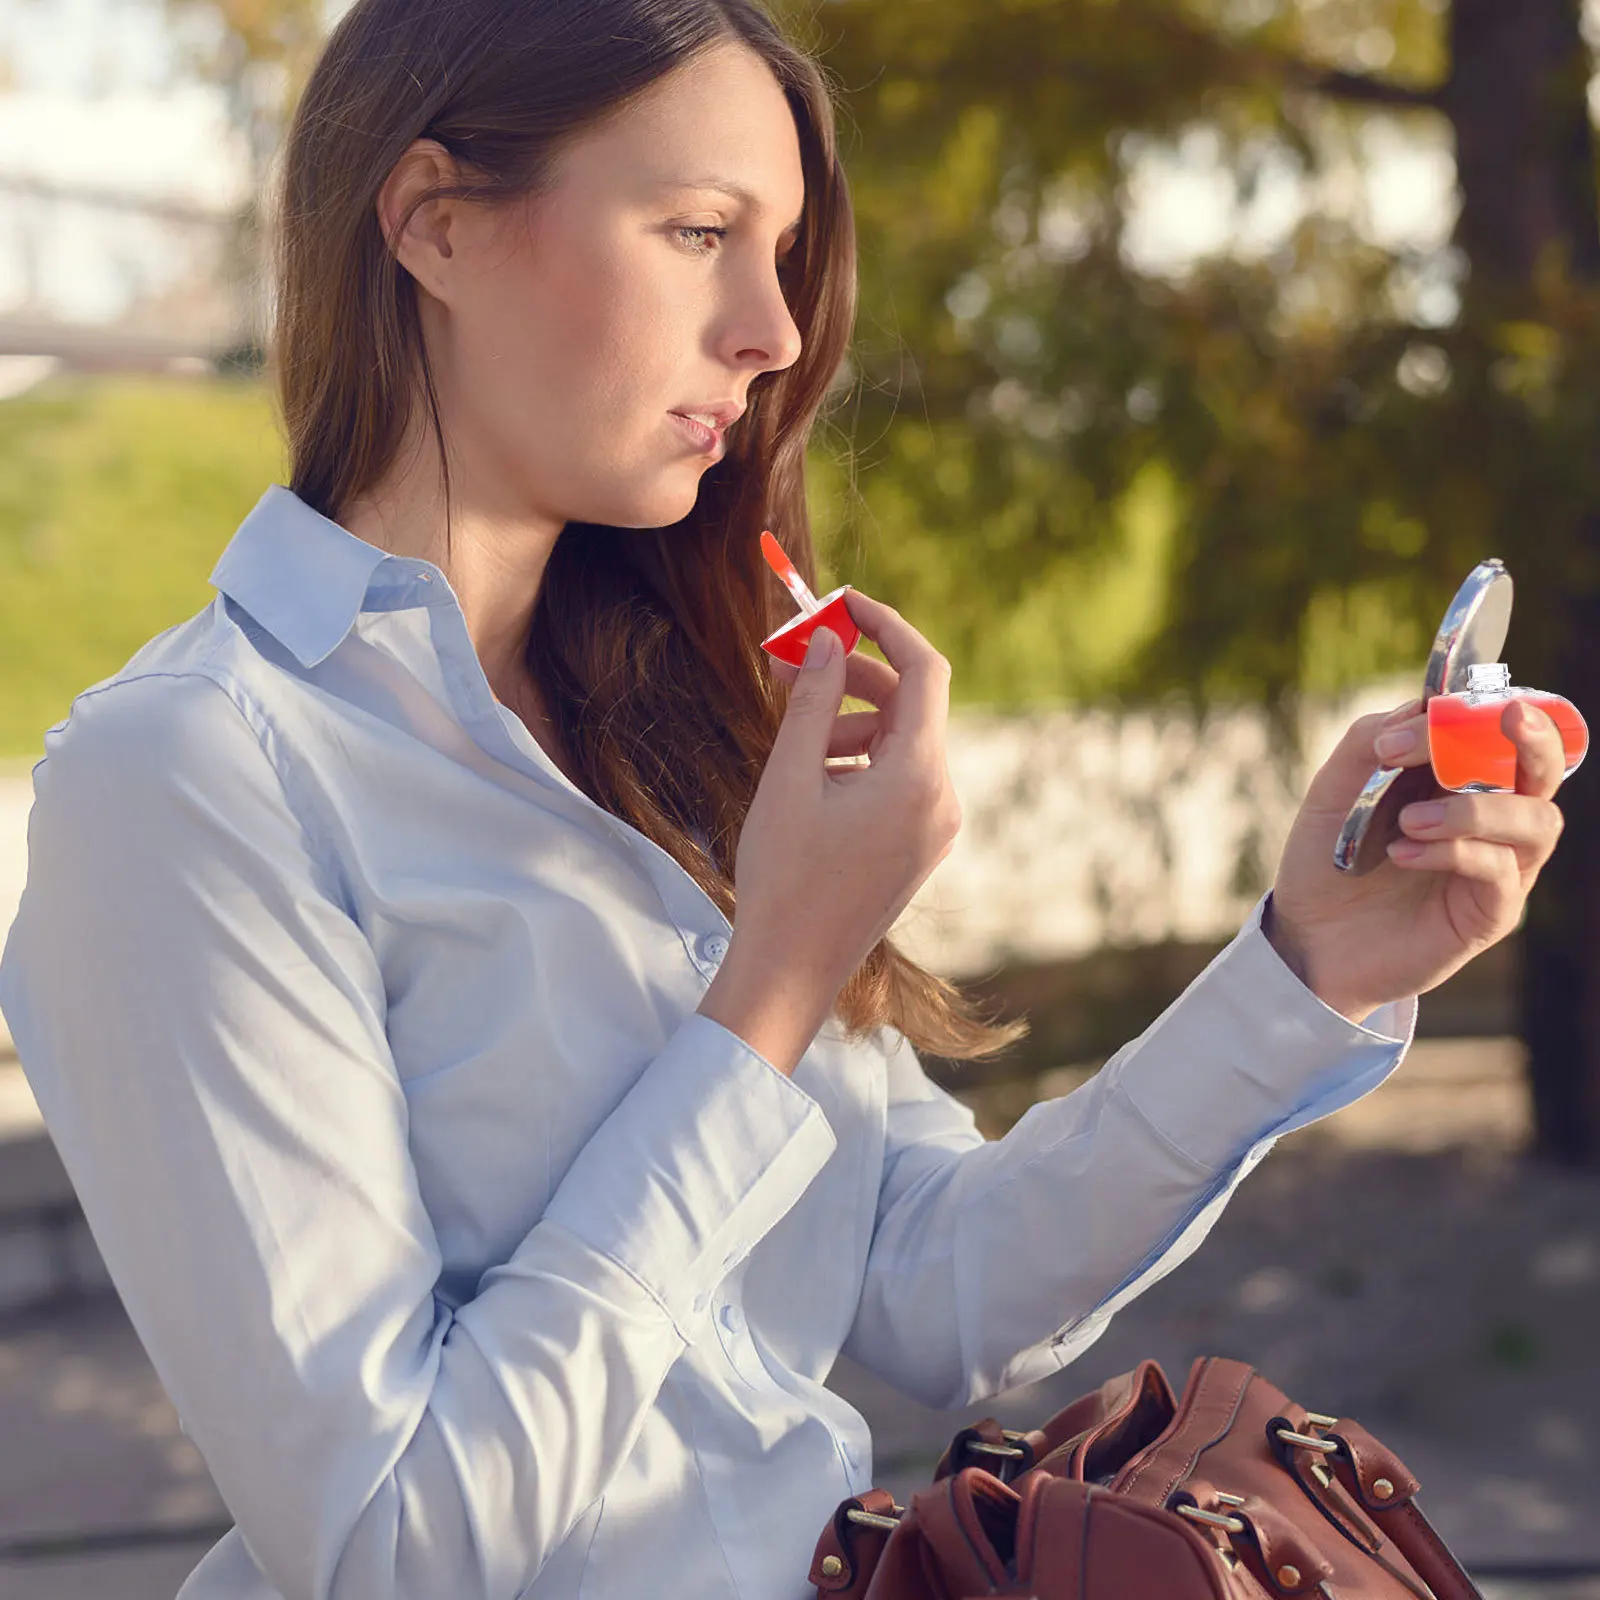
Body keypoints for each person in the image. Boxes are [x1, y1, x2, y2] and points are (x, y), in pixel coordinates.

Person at [0, 1, 1568, 1596]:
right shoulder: (193, 778)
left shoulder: (666, 738)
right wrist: (769, 994)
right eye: (698, 231)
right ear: (434, 223)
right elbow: (393, 1543)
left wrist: (1308, 970)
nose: (770, 330)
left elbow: (936, 1285)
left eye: (784, 253)